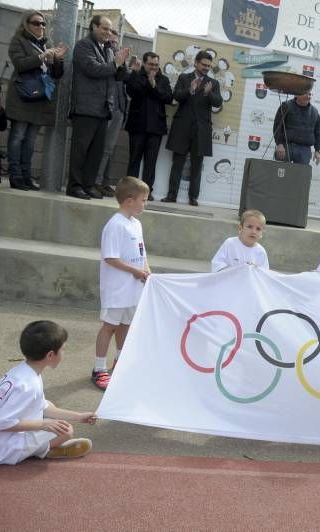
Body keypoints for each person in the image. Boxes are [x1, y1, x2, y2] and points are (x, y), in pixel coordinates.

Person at [0, 321, 95, 464]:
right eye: (63, 349)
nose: (64, 353)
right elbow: (3, 423)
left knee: (49, 406)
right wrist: (42, 424)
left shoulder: (24, 370)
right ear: (50, 355)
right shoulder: (29, 385)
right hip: (0, 449)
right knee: (66, 431)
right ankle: (46, 450)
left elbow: (43, 407)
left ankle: (39, 447)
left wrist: (78, 416)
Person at [93, 177, 151, 390]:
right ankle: (99, 369)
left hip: (133, 289)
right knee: (109, 326)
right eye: (143, 200)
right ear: (129, 200)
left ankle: (119, 362)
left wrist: (146, 269)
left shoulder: (136, 224)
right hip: (117, 289)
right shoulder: (115, 225)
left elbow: (142, 252)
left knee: (125, 325)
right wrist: (136, 271)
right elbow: (110, 258)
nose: (145, 204)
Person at [67, 15, 130, 200]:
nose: (108, 33)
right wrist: (115, 64)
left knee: (96, 152)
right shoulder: (83, 46)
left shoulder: (108, 50)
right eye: (105, 29)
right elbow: (92, 69)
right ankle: (74, 186)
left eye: (110, 30)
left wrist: (122, 63)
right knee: (80, 150)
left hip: (103, 109)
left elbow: (119, 77)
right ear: (93, 27)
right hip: (86, 108)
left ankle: (87, 185)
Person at [5, 9, 66, 191]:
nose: (41, 26)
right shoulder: (19, 41)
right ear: (26, 24)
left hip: (40, 99)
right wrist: (41, 56)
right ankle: (15, 175)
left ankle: (25, 175)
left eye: (43, 24)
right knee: (18, 137)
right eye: (36, 23)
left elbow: (57, 75)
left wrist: (58, 60)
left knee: (31, 140)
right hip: (22, 97)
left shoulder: (47, 44)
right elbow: (20, 64)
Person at [162, 50, 223, 207]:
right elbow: (176, 96)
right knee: (177, 163)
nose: (206, 68)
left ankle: (193, 197)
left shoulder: (213, 83)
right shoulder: (184, 78)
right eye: (203, 65)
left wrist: (209, 94)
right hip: (182, 127)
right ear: (195, 63)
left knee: (197, 165)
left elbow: (218, 103)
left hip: (201, 130)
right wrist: (190, 90)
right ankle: (171, 195)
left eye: (209, 66)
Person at [125, 51, 173, 199]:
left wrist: (154, 86)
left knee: (150, 162)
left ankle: (146, 192)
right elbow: (132, 92)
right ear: (145, 64)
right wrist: (147, 83)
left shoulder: (163, 79)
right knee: (134, 160)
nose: (154, 68)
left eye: (156, 65)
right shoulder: (137, 76)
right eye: (151, 64)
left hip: (156, 127)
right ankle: (130, 191)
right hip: (137, 125)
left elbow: (169, 98)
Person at [273, 90, 320, 165]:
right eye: (305, 94)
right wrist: (279, 144)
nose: (308, 97)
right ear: (296, 95)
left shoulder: (315, 112)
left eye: (309, 95)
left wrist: (317, 150)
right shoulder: (286, 106)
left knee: (300, 175)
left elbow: (317, 133)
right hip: (286, 147)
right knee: (280, 174)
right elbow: (277, 127)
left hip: (304, 150)